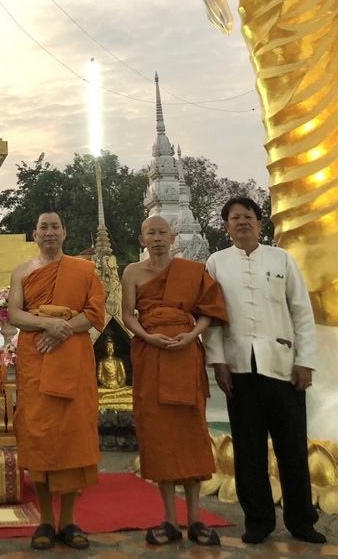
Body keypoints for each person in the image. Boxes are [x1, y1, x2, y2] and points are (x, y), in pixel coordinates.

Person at [202, 197, 325, 544]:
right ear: (226, 225)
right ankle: (258, 521)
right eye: (235, 218)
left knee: (292, 447)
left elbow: (301, 311)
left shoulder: (280, 258)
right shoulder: (216, 263)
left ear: (260, 223)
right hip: (239, 367)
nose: (242, 222)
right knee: (248, 448)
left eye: (249, 217)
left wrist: (305, 361)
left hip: (283, 367)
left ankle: (302, 520)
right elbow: (211, 318)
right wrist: (218, 361)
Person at [121, 215, 228, 546]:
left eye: (162, 233)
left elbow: (209, 310)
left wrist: (191, 334)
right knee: (160, 437)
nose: (156, 238)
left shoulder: (191, 271)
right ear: (142, 240)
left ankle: (195, 519)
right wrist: (147, 336)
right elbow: (127, 314)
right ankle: (169, 519)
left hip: (184, 355)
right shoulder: (132, 273)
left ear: (172, 237)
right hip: (151, 356)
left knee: (191, 435)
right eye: (150, 233)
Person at [8, 211, 105, 551]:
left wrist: (62, 328)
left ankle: (70, 520)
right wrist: (47, 325)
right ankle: (46, 519)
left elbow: (95, 313)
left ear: (64, 233)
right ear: (34, 234)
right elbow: (15, 314)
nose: (49, 233)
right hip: (37, 359)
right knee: (40, 436)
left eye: (55, 227)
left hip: (72, 358)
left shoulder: (83, 270)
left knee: (73, 435)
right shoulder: (22, 271)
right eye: (43, 227)